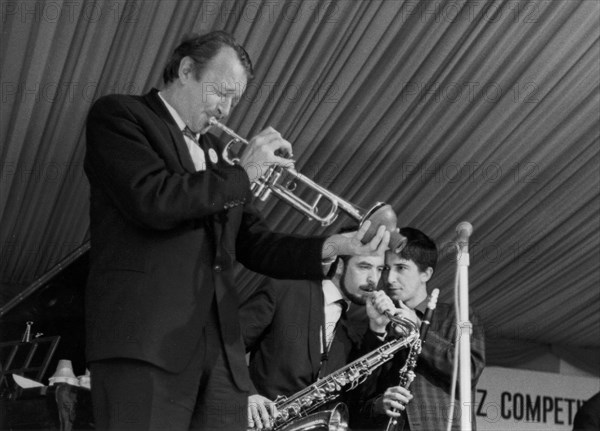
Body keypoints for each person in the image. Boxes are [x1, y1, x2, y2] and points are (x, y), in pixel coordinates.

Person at [84, 31, 390, 431]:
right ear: (187, 70)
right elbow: (153, 200)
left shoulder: (215, 153)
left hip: (220, 357)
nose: (226, 110)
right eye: (221, 92)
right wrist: (243, 172)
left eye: (234, 100)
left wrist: (337, 244)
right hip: (146, 342)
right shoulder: (121, 116)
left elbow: (253, 242)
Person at [349, 227, 486, 431]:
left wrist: (418, 331)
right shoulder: (378, 322)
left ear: (426, 274)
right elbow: (356, 403)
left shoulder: (457, 316)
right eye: (386, 269)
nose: (390, 279)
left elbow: (469, 371)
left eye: (401, 268)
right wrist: (379, 404)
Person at [239, 247, 389, 429]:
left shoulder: (352, 333)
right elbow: (225, 346)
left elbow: (358, 397)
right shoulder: (285, 288)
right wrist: (247, 394)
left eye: (379, 269)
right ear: (340, 265)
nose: (373, 279)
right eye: (364, 266)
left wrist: (378, 327)